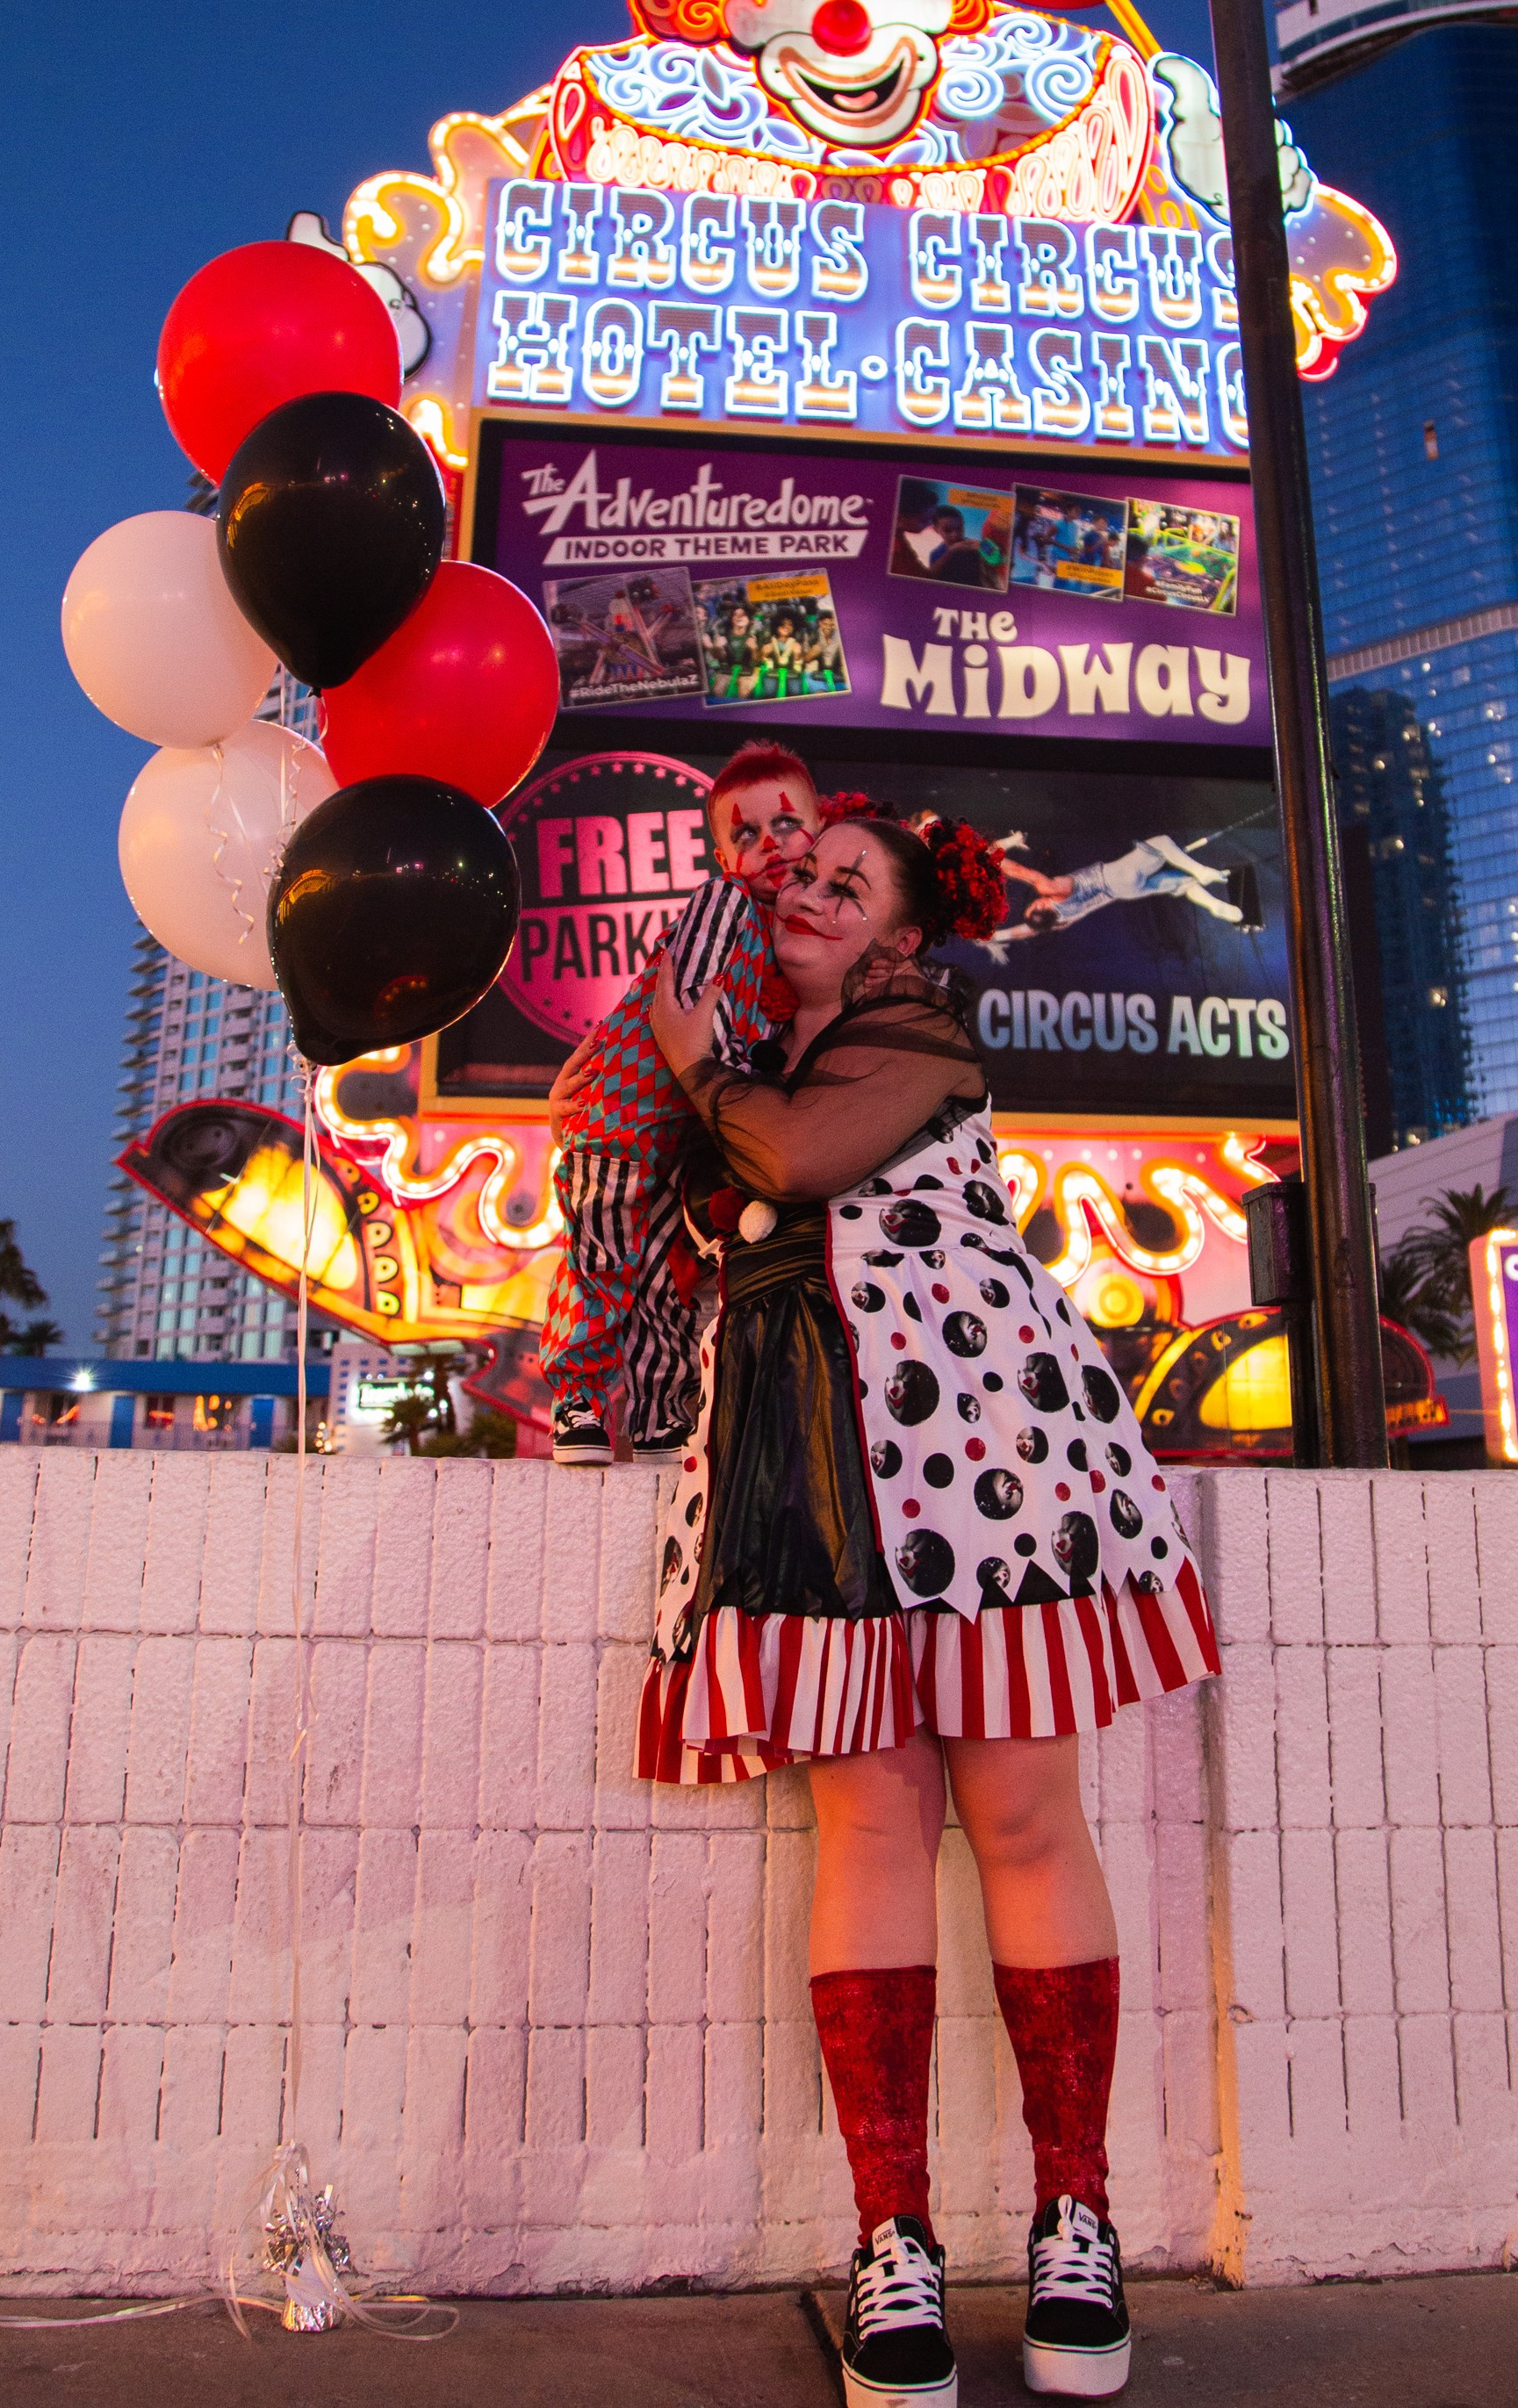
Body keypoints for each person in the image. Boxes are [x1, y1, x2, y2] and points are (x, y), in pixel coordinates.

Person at [641, 813, 1219, 2407]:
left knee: (1022, 1818)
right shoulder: (770, 1057)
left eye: (849, 883)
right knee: (871, 1832)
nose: (809, 892)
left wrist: (694, 1067)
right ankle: (890, 2238)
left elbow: (797, 1161)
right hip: (811, 1473)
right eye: (801, 873)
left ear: (901, 938)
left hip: (979, 1456)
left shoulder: (916, 1036)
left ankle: (1076, 2219)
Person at [538, 742, 820, 1463]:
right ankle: (578, 1400)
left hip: (682, 1135)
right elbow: (693, 1006)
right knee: (602, 1258)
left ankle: (662, 1415)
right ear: (724, 858)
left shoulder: (786, 939)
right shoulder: (725, 904)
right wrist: (747, 1097)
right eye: (747, 834)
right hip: (621, 1119)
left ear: (818, 829)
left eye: (786, 825)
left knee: (669, 1277)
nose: (770, 845)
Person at [988, 836, 1245, 946]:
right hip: (1116, 876)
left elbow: (1028, 930)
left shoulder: (1061, 921)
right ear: (1041, 906)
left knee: (1184, 882)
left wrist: (994, 936)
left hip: (1126, 893)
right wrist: (992, 855)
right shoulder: (1051, 890)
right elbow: (1022, 872)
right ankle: (1202, 870)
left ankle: (1213, 904)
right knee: (1163, 843)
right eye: (1034, 905)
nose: (1034, 901)